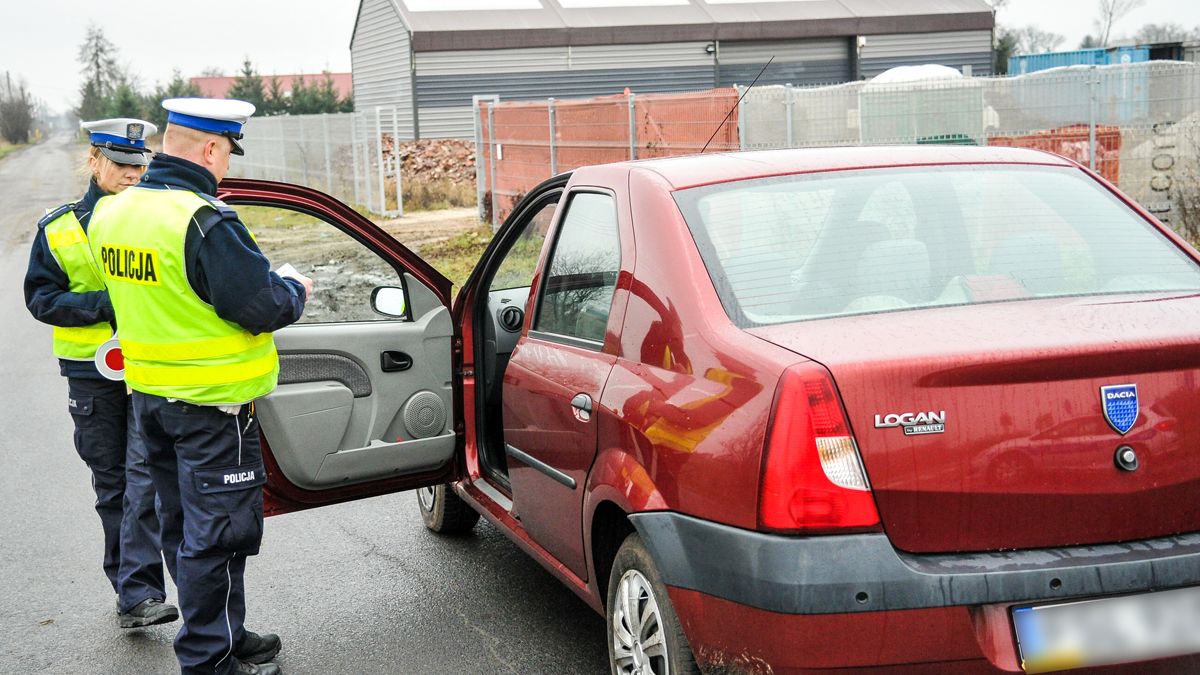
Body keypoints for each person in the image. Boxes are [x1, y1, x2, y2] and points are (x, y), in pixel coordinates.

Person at [87, 98, 312, 675]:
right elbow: (258, 305)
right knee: (218, 537)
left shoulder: (114, 213)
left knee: (185, 527)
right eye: (229, 153)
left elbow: (157, 295)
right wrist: (295, 288)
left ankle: (226, 634)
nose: (228, 166)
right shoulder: (203, 219)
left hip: (151, 401)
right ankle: (209, 658)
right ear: (211, 148)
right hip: (214, 408)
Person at [24, 118, 181, 629]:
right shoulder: (60, 227)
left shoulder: (160, 218)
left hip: (148, 364)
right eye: (121, 164)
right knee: (113, 483)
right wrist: (102, 304)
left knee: (145, 479)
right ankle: (131, 592)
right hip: (91, 377)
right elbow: (41, 298)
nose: (133, 174)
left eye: (140, 165)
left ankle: (139, 595)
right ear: (94, 162)